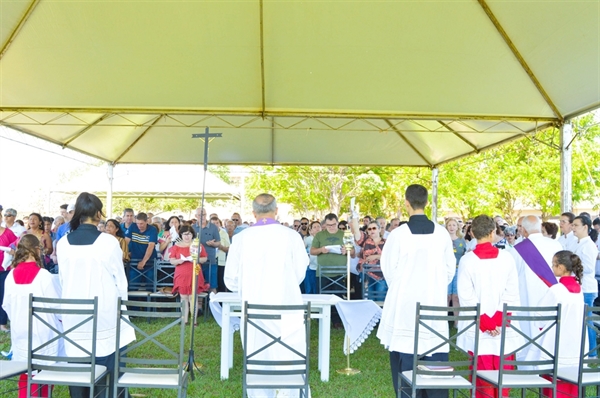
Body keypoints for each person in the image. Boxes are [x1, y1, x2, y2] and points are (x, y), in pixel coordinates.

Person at [224, 193, 308, 398]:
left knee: (256, 354)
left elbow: (231, 279)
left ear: (253, 213)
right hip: (286, 306)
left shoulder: (241, 238)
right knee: (288, 355)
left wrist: (248, 288)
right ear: (276, 210)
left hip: (253, 307)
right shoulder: (291, 236)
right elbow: (300, 272)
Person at [377, 184, 455, 397]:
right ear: (427, 202)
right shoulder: (441, 234)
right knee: (434, 355)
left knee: (405, 359)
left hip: (405, 306)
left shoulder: (398, 235)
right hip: (434, 304)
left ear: (406, 202)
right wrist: (434, 285)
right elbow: (450, 270)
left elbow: (389, 271)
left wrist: (405, 285)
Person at [57, 192, 135, 398]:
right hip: (104, 313)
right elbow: (120, 281)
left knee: (78, 363)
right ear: (98, 214)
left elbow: (63, 280)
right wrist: (123, 310)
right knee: (109, 363)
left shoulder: (63, 243)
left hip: (74, 314)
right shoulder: (108, 242)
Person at [457, 215, 521, 398]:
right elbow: (512, 292)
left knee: (482, 377)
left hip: (479, 325)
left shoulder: (467, 261)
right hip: (502, 325)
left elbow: (466, 296)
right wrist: (497, 319)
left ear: (473, 233)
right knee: (502, 374)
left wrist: (485, 321)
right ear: (493, 233)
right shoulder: (507, 258)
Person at [3, 234, 63, 398]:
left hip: (20, 331)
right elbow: (57, 306)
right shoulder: (44, 276)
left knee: (25, 371)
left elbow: (6, 306)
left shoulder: (10, 275)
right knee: (44, 373)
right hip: (44, 331)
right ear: (37, 250)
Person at [526, 250, 586, 398]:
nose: (552, 268)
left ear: (561, 268)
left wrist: (541, 326)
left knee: (553, 385)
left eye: (553, 265)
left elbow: (540, 316)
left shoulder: (557, 290)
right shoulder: (580, 289)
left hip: (555, 345)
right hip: (576, 345)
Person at [510, 215, 562, 361]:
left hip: (527, 300)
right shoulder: (556, 245)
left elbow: (512, 276)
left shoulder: (517, 250)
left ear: (524, 231)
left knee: (527, 334)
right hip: (552, 297)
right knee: (550, 333)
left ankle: (527, 366)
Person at [168, 225, 209, 325]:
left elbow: (204, 258)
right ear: (181, 234)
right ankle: (185, 320)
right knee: (183, 297)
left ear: (192, 235)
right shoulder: (176, 246)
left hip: (194, 273)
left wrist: (196, 259)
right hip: (181, 274)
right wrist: (179, 260)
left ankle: (194, 321)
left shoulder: (197, 245)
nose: (187, 236)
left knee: (192, 297)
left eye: (189, 234)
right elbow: (171, 260)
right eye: (185, 234)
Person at [572, 215, 599, 357]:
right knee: (582, 320)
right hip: (580, 286)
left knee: (587, 321)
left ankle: (591, 353)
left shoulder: (588, 244)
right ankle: (585, 350)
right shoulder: (578, 242)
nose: (573, 228)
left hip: (587, 288)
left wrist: (572, 266)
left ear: (585, 227)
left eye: (576, 225)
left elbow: (589, 267)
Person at [310, 213, 351, 295]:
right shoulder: (319, 235)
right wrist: (321, 249)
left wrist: (347, 251)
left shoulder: (345, 234)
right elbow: (312, 251)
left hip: (340, 273)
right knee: (323, 300)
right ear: (325, 224)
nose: (331, 227)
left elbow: (353, 253)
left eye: (334, 225)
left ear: (338, 223)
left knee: (338, 300)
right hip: (323, 273)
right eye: (328, 225)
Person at [125, 212, 158, 288]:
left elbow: (151, 246)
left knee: (150, 285)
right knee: (133, 285)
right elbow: (126, 241)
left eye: (141, 223)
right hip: (134, 261)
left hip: (150, 261)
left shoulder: (152, 230)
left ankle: (150, 300)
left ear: (147, 221)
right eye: (137, 223)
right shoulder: (132, 226)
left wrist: (143, 261)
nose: (139, 226)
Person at [193, 208, 220, 292]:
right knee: (197, 287)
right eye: (200, 215)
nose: (202, 217)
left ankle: (213, 305)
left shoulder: (213, 227)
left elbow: (218, 243)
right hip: (196, 262)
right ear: (196, 216)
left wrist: (213, 244)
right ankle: (199, 305)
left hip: (210, 261)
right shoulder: (192, 228)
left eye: (204, 214)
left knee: (212, 286)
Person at [445, 217, 466, 324]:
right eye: (449, 225)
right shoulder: (443, 239)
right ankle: (443, 321)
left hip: (458, 270)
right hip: (446, 270)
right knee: (446, 296)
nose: (451, 227)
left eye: (454, 225)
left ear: (457, 227)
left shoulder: (462, 240)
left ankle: (457, 322)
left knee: (456, 296)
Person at [0, 210, 18, 333]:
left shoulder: (8, 233)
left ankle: (2, 323)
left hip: (4, 269)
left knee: (2, 296)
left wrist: (13, 252)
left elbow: (18, 246)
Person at [210, 216, 231, 293]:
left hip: (221, 262)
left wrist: (220, 246)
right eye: (213, 223)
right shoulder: (208, 233)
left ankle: (221, 304)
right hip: (211, 261)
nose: (215, 225)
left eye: (217, 223)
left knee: (221, 283)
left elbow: (228, 248)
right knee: (211, 283)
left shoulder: (224, 233)